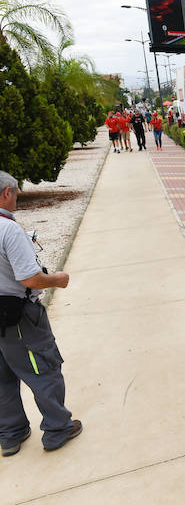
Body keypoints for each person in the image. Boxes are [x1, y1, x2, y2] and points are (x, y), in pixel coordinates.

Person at [0, 171, 82, 455]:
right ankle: (58, 427)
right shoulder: (8, 230)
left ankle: (11, 434)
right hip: (18, 317)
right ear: (6, 193)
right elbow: (30, 279)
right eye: (16, 194)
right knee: (42, 369)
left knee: (2, 376)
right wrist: (57, 280)